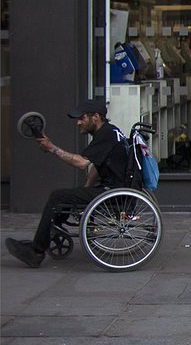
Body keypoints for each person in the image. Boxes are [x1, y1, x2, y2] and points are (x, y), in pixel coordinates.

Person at [5, 99, 129, 268]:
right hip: (111, 189)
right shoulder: (110, 132)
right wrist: (86, 189)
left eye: (82, 118)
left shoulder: (106, 134)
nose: (78, 122)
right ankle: (50, 233)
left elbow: (81, 163)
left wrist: (52, 148)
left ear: (96, 117)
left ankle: (36, 251)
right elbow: (98, 166)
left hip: (112, 192)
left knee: (58, 196)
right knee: (67, 197)